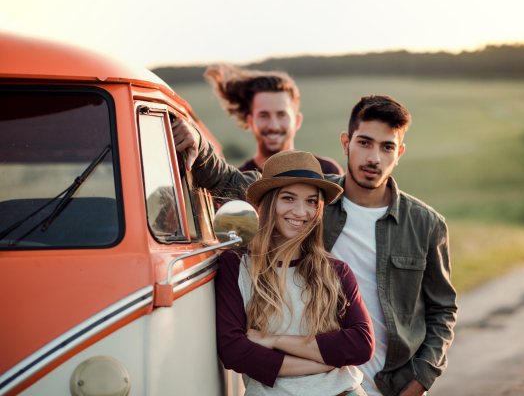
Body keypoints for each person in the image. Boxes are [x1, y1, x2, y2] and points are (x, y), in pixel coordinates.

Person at [174, 95, 458, 396]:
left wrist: (421, 380)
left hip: (389, 385)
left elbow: (442, 309)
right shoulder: (312, 197)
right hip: (311, 379)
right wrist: (198, 146)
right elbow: (230, 179)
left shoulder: (426, 224)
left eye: (387, 146)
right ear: (346, 143)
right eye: (364, 142)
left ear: (399, 152)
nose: (374, 157)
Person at [216, 149, 375, 395]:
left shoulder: (336, 271)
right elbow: (234, 351)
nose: (301, 212)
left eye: (312, 201)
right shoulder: (235, 266)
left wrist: (274, 340)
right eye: (288, 198)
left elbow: (361, 345)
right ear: (267, 203)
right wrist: (321, 362)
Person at [201, 64, 343, 174]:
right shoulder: (235, 181)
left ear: (297, 121)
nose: (273, 126)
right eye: (264, 115)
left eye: (282, 115)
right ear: (250, 122)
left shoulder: (326, 172)